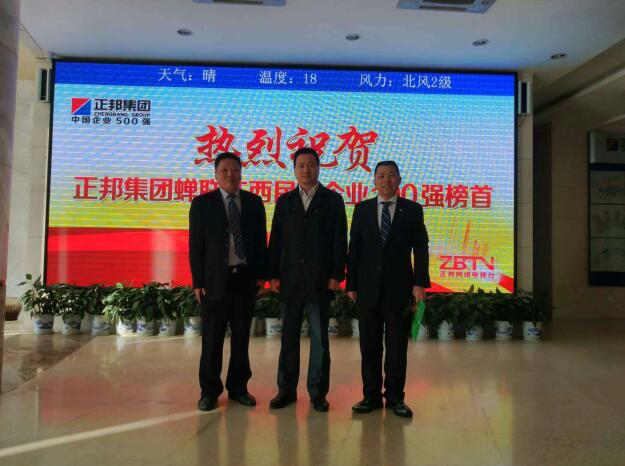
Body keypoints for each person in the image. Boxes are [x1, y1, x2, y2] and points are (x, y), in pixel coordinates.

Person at [346, 160, 430, 418]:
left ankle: (395, 397)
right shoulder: (362, 209)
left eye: (391, 175)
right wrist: (351, 284)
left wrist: (419, 283)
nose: (386, 180)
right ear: (374, 180)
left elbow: (421, 249)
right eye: (381, 176)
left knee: (396, 347)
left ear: (399, 180)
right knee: (369, 346)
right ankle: (370, 396)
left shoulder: (412, 210)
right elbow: (354, 248)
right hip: (367, 289)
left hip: (399, 289)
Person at [267, 147, 347, 412]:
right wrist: (273, 274)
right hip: (290, 280)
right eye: (301, 165)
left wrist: (337, 274)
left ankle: (317, 393)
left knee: (320, 339)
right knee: (288, 337)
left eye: (311, 165)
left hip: (320, 280)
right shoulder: (285, 201)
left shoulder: (333, 200)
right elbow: (276, 240)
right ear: (294, 169)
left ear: (319, 167)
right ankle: (286, 390)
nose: (306, 170)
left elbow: (339, 241)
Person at [189, 152, 267, 411]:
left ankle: (238, 388)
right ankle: (209, 391)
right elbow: (196, 246)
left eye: (235, 169)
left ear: (241, 173)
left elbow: (260, 243)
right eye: (224, 170)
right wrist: (198, 281)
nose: (230, 174)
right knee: (212, 340)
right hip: (214, 282)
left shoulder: (254, 203)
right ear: (215, 174)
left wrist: (261, 275)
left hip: (244, 279)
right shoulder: (202, 204)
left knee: (241, 339)